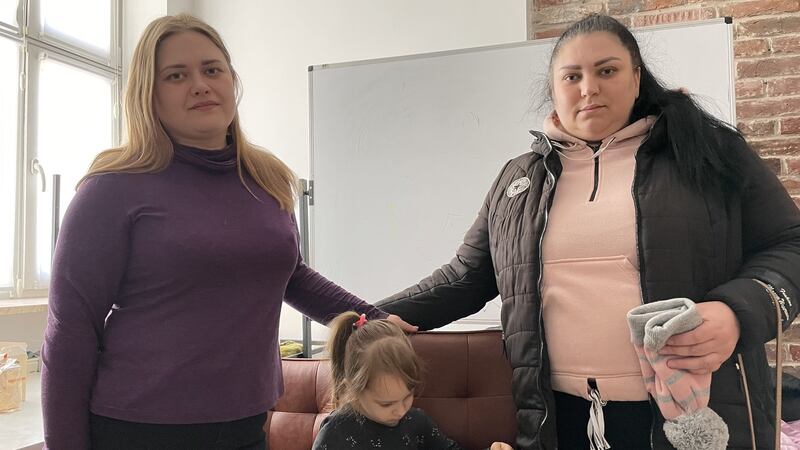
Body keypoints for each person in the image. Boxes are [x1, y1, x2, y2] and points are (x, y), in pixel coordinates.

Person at [377, 13, 800, 450]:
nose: (588, 88)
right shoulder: (518, 180)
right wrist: (365, 315)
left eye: (607, 70)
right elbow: (467, 277)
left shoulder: (708, 153)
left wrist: (736, 312)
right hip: (557, 421)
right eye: (572, 76)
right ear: (555, 89)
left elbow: (791, 245)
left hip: (690, 416)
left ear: (636, 78)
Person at [40, 14, 414, 450]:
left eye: (212, 69)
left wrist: (375, 319)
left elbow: (288, 274)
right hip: (139, 429)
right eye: (176, 75)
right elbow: (70, 330)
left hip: (246, 423)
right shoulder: (111, 188)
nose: (200, 84)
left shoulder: (265, 178)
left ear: (232, 81)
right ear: (149, 93)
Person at [313, 312, 513, 450]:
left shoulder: (414, 420)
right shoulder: (335, 431)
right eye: (386, 403)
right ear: (352, 390)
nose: (401, 410)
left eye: (408, 396)